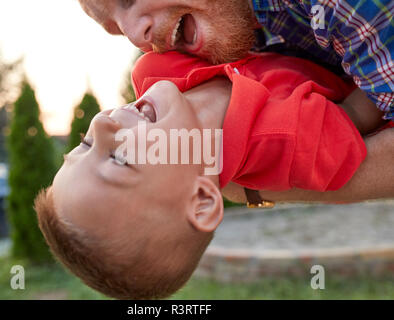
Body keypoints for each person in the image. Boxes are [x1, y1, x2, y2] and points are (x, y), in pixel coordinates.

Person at [34, 51, 386, 300]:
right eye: (119, 157)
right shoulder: (286, 143)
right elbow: (366, 104)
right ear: (201, 200)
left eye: (86, 142)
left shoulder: (155, 70)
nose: (101, 122)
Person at [77, 0, 394, 201]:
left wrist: (253, 192)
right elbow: (344, 125)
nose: (134, 35)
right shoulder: (275, 137)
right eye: (116, 30)